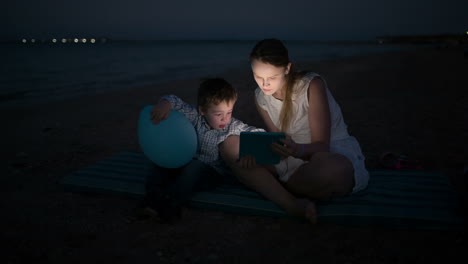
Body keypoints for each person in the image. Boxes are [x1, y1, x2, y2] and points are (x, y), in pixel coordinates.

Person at [220, 39, 369, 224]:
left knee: (334, 169)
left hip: (324, 153)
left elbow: (322, 145)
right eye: (258, 76)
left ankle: (268, 185)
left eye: (272, 77)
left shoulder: (311, 85)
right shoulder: (261, 97)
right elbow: (279, 140)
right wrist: (261, 153)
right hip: (290, 159)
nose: (264, 84)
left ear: (287, 68)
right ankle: (290, 202)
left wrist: (297, 150)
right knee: (229, 145)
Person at [141, 78, 265, 223]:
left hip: (212, 173)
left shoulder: (232, 126)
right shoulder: (195, 116)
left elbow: (254, 131)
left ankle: (172, 205)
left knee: (194, 168)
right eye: (218, 114)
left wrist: (256, 146)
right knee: (160, 165)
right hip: (184, 164)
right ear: (202, 110)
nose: (225, 119)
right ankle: (150, 199)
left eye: (229, 112)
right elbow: (175, 101)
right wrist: (164, 105)